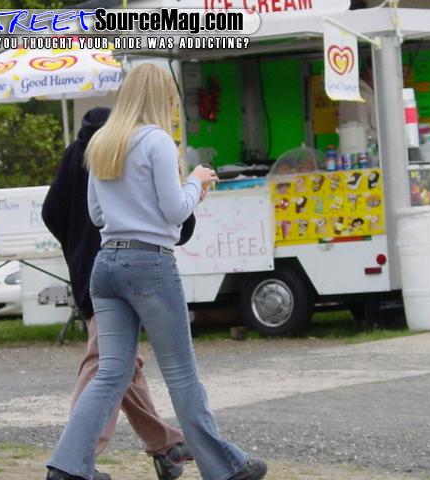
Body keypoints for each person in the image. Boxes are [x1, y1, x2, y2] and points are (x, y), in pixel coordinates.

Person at [45, 64, 267, 480]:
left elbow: (97, 214)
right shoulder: (157, 141)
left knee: (110, 373)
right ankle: (224, 467)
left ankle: (68, 468)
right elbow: (175, 210)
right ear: (162, 97)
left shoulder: (102, 142)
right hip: (149, 263)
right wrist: (196, 183)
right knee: (181, 374)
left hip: (105, 264)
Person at [42, 107, 195, 480]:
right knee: (104, 364)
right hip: (129, 261)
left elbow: (51, 212)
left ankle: (165, 445)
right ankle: (73, 461)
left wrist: (75, 245)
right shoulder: (127, 146)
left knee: (122, 364)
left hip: (89, 269)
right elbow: (170, 211)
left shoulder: (77, 152)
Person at [338, 57, 377, 140]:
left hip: (349, 143)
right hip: (364, 145)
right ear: (369, 72)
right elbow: (366, 131)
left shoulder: (347, 93)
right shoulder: (365, 96)